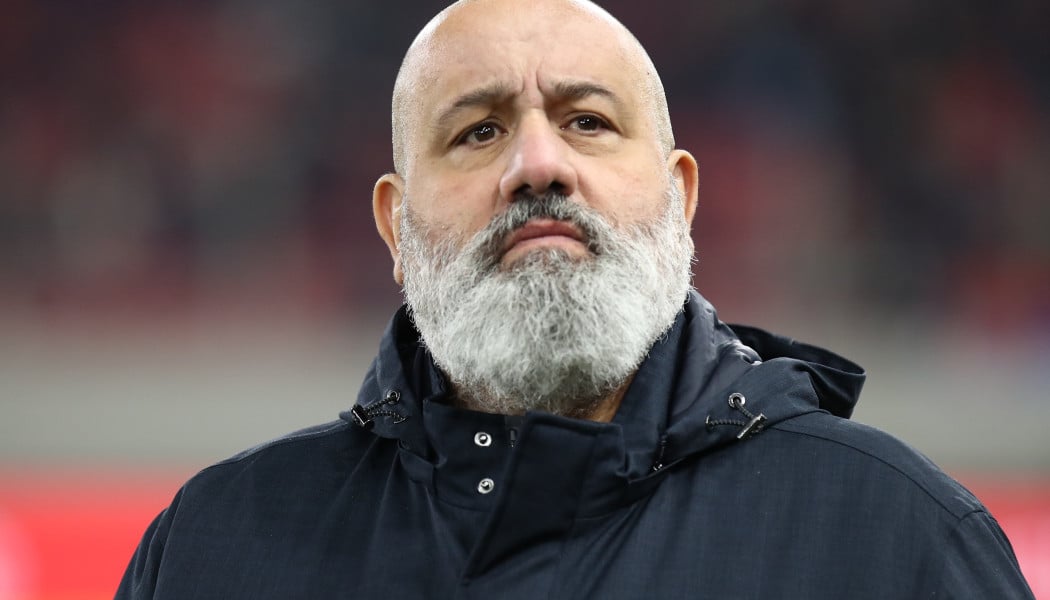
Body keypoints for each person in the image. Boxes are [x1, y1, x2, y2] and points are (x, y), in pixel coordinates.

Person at [117, 0, 1034, 597]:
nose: (537, 164)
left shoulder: (897, 539)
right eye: (478, 131)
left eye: (587, 121)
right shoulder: (212, 549)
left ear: (680, 198)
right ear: (396, 227)